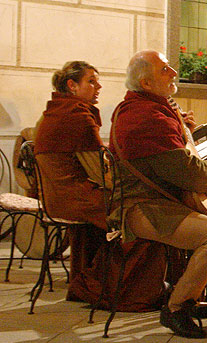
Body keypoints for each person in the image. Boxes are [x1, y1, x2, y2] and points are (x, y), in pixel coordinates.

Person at [111, 50, 207, 339]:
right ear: (146, 83)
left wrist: (184, 132)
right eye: (165, 70)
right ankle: (177, 306)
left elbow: (174, 161)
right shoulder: (145, 118)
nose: (174, 73)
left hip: (166, 199)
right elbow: (193, 174)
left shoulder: (154, 110)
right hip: (142, 208)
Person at [34, 61, 166, 311]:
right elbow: (100, 172)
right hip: (76, 198)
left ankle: (93, 282)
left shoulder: (55, 110)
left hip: (57, 197)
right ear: (72, 86)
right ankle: (109, 289)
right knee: (146, 217)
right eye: (91, 81)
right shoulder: (77, 116)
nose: (99, 86)